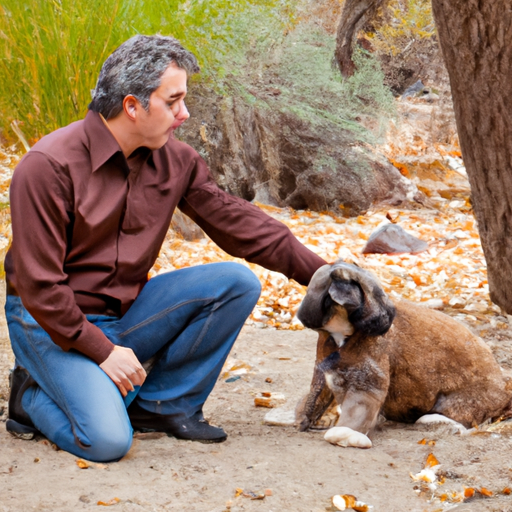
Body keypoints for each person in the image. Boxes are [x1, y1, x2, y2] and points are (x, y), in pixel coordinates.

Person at [5, 35, 326, 462]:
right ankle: (28, 397)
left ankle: (163, 406)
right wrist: (103, 352)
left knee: (233, 283)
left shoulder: (177, 161)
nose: (184, 114)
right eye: (173, 102)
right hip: (48, 322)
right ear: (133, 106)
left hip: (124, 314)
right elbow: (40, 287)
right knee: (106, 441)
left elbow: (240, 224)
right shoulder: (49, 166)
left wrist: (329, 278)